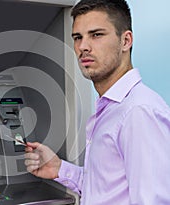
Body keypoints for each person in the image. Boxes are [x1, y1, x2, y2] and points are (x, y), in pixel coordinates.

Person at [24, 0, 170, 204]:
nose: (83, 47)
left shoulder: (138, 112)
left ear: (126, 41)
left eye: (96, 35)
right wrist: (58, 168)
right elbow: (106, 189)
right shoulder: (111, 108)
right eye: (77, 37)